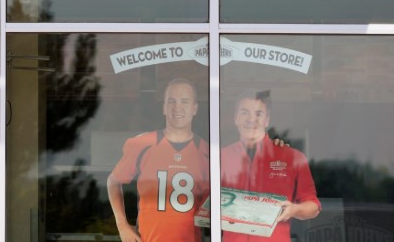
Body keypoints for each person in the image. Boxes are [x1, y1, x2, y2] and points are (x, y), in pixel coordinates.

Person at [107, 78, 209, 242]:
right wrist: (122, 225)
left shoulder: (206, 153)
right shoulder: (142, 144)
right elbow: (113, 181)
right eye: (171, 101)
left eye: (185, 101)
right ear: (164, 107)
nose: (178, 107)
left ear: (194, 108)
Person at [221, 90, 321, 242]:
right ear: (236, 118)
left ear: (267, 120)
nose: (251, 119)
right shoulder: (219, 158)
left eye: (258, 114)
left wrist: (295, 209)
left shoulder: (293, 158)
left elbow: (313, 206)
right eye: (244, 112)